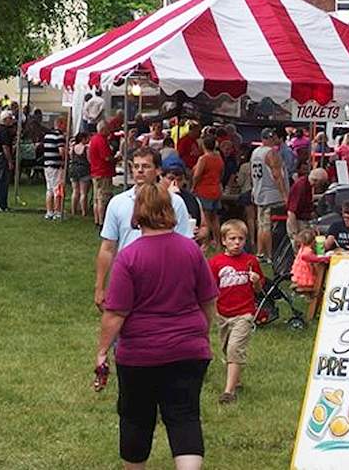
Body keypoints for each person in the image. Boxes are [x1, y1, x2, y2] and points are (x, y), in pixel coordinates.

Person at [95, 182, 218, 470]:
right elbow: (208, 300)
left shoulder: (130, 256)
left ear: (137, 215)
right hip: (189, 349)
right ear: (170, 210)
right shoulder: (191, 251)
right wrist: (203, 332)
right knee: (185, 416)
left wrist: (101, 351)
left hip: (140, 353)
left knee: (136, 418)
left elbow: (116, 312)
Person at [94, 147, 196, 310]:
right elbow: (107, 247)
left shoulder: (174, 202)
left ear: (158, 170)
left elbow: (186, 247)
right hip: (127, 277)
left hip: (163, 282)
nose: (140, 171)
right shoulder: (118, 202)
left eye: (146, 166)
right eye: (136, 166)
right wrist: (100, 287)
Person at [205, 219, 262, 406]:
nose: (237, 243)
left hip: (244, 313)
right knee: (226, 348)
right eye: (232, 239)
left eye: (241, 239)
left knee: (234, 348)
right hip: (223, 314)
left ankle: (228, 392)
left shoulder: (250, 261)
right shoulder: (216, 263)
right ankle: (236, 379)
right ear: (223, 241)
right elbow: (210, 289)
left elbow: (259, 289)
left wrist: (255, 281)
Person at [250, 130, 288, 260]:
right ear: (271, 138)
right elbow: (277, 175)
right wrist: (284, 195)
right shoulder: (271, 153)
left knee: (261, 225)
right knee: (268, 226)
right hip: (272, 194)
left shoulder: (255, 152)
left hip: (259, 191)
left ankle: (260, 253)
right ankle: (270, 255)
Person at [191, 136, 224, 248]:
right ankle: (218, 241)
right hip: (216, 189)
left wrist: (193, 187)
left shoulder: (203, 159)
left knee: (206, 217)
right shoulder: (219, 158)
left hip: (204, 190)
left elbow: (197, 175)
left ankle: (207, 242)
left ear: (203, 145)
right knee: (215, 217)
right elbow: (221, 174)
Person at [88, 119, 116, 225]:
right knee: (103, 198)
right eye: (108, 128)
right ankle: (102, 221)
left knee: (96, 198)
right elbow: (107, 158)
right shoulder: (101, 140)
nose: (110, 131)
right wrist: (116, 158)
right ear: (103, 129)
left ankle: (97, 220)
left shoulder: (94, 139)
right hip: (103, 172)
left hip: (95, 171)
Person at [41, 117, 66, 220]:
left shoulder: (47, 135)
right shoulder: (59, 136)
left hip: (47, 164)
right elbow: (61, 151)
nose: (65, 126)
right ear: (60, 124)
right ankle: (58, 211)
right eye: (64, 124)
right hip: (56, 165)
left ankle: (49, 211)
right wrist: (64, 160)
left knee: (49, 189)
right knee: (58, 188)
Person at [0, 110, 16, 212]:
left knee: (0, 180)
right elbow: (5, 147)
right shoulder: (4, 131)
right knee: (3, 181)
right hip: (2, 157)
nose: (12, 121)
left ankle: (1, 203)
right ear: (5, 119)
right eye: (10, 118)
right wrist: (10, 161)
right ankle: (2, 204)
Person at [68, 132, 92, 218]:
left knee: (75, 191)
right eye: (88, 138)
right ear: (83, 139)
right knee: (83, 193)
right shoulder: (86, 148)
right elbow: (89, 160)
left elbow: (71, 157)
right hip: (84, 170)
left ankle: (73, 210)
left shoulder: (73, 148)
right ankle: (84, 211)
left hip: (74, 169)